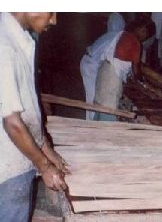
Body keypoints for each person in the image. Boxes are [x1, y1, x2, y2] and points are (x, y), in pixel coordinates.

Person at [0, 13, 68, 222]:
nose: (54, 20)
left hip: (17, 157)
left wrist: (46, 150)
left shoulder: (18, 40)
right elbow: (12, 122)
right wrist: (44, 166)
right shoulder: (5, 47)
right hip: (9, 164)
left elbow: (26, 109)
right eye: (52, 11)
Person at [80, 19, 154, 121]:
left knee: (99, 104)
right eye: (145, 32)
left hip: (103, 71)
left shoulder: (120, 35)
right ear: (138, 28)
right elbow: (136, 71)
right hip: (111, 77)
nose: (144, 36)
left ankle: (94, 129)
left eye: (147, 35)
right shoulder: (134, 42)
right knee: (109, 109)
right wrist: (143, 84)